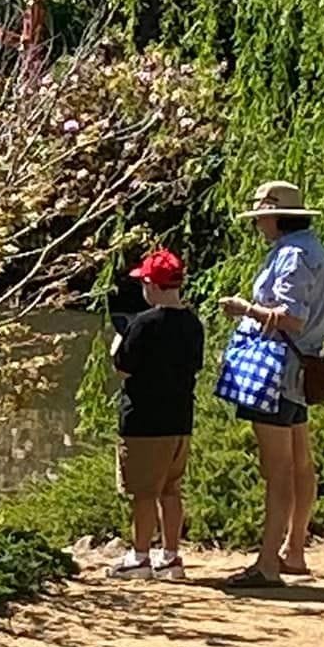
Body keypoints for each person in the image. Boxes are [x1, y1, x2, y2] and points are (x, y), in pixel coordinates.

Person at [219, 180, 324, 588]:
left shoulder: (292, 256)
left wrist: (244, 309)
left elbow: (292, 317)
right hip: (299, 367)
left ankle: (268, 562)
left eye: (261, 217)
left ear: (275, 216)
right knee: (300, 460)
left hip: (276, 368)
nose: (258, 226)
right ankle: (294, 551)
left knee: (279, 469)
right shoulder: (314, 249)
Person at [108, 248, 206, 582]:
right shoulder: (193, 323)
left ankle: (139, 557)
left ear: (153, 284)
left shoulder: (143, 324)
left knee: (143, 492)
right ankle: (171, 557)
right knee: (171, 490)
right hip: (179, 420)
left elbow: (122, 368)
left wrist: (117, 341)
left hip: (144, 422)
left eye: (144, 283)